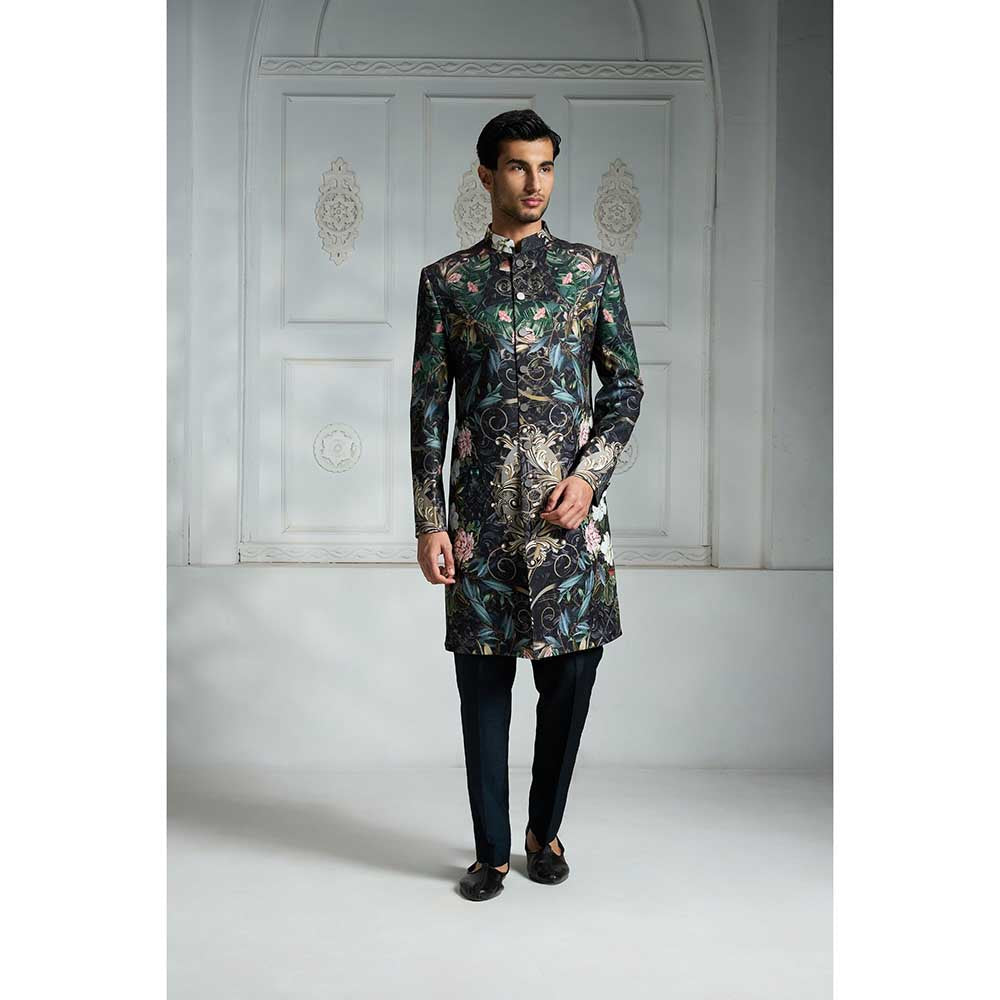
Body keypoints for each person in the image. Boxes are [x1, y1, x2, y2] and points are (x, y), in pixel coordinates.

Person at [409, 109, 644, 901]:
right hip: (478, 527)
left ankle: (545, 831)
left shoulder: (590, 272)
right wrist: (430, 522)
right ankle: (491, 852)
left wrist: (591, 477)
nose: (533, 182)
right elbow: (427, 410)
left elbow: (625, 388)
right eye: (516, 166)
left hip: (568, 528)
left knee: (570, 683)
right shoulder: (448, 283)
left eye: (544, 166)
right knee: (482, 691)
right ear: (486, 174)